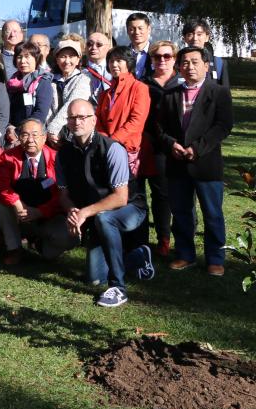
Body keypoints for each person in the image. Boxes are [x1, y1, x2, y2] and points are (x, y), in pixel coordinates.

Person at [57, 100, 153, 307]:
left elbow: (121, 197)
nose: (77, 122)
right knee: (94, 278)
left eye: (82, 117)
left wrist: (84, 213)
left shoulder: (112, 148)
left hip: (130, 208)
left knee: (104, 218)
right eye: (72, 118)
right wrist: (71, 210)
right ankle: (138, 257)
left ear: (93, 120)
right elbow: (63, 194)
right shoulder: (63, 153)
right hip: (95, 211)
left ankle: (118, 287)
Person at [156, 46, 234, 275]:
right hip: (177, 163)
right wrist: (171, 145)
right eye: (185, 63)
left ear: (206, 65)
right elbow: (158, 128)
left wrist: (197, 149)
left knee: (212, 213)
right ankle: (185, 254)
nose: (190, 66)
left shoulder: (218, 92)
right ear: (179, 67)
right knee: (181, 212)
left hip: (206, 164)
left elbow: (223, 126)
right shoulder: (170, 95)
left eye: (195, 62)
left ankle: (215, 258)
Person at [0, 118, 69, 263]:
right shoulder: (8, 156)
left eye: (35, 135)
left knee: (67, 238)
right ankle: (14, 248)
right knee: (0, 205)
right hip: (18, 213)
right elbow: (0, 184)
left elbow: (62, 194)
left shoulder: (56, 158)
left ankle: (39, 245)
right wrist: (17, 203)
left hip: (48, 214)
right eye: (25, 135)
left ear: (44, 137)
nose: (30, 140)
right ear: (19, 137)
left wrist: (41, 211)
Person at [142, 40, 181, 256]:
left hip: (182, 144)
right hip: (155, 146)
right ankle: (163, 239)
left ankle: (186, 236)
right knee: (161, 194)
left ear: (174, 58)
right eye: (157, 57)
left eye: (167, 56)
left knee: (185, 192)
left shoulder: (182, 82)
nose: (162, 60)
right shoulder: (144, 84)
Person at [95, 46, 149, 174]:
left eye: (119, 60)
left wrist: (113, 139)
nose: (114, 64)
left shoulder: (139, 88)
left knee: (130, 191)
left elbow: (137, 121)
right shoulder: (105, 93)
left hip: (127, 147)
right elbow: (97, 119)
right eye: (111, 61)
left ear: (129, 63)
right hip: (106, 147)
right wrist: (104, 140)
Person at [5, 43, 54, 145]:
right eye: (19, 57)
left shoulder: (42, 81)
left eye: (27, 56)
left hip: (32, 137)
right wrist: (9, 127)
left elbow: (40, 113)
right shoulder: (11, 83)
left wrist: (20, 131)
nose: (23, 61)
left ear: (36, 59)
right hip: (11, 134)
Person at [46, 37, 91, 145]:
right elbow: (47, 107)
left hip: (75, 134)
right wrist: (48, 132)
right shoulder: (49, 80)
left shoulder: (83, 79)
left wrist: (53, 129)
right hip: (51, 136)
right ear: (56, 59)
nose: (67, 61)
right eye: (63, 56)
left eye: (71, 56)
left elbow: (72, 105)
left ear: (78, 59)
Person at [182, 19, 230, 88]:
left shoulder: (218, 63)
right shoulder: (176, 62)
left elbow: (225, 94)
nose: (195, 38)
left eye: (199, 34)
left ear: (207, 37)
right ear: (185, 38)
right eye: (190, 34)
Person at [83, 32, 113, 103]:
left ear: (108, 47)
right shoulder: (80, 70)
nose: (93, 47)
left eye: (99, 45)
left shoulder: (116, 68)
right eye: (89, 44)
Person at [125, 12, 153, 79]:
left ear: (149, 29)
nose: (137, 32)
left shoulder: (157, 53)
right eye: (132, 29)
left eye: (140, 28)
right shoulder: (122, 54)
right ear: (127, 31)